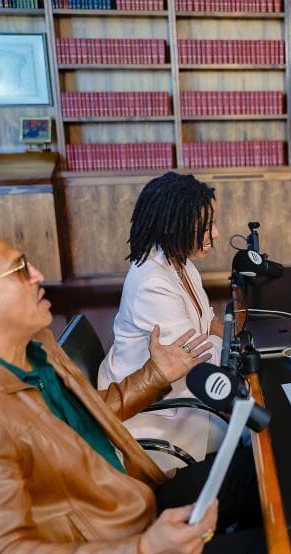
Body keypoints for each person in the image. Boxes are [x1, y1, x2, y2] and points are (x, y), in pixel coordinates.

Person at [0, 237, 270, 554]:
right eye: (19, 269)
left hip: (129, 501)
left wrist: (155, 375)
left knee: (264, 469)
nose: (37, 274)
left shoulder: (37, 347)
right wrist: (142, 553)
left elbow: (87, 414)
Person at [98, 172, 227, 473]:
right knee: (256, 437)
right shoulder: (152, 283)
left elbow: (209, 323)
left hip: (185, 393)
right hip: (156, 418)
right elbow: (195, 360)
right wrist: (226, 342)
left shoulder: (181, 263)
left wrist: (228, 339)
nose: (216, 234)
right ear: (173, 227)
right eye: (206, 227)